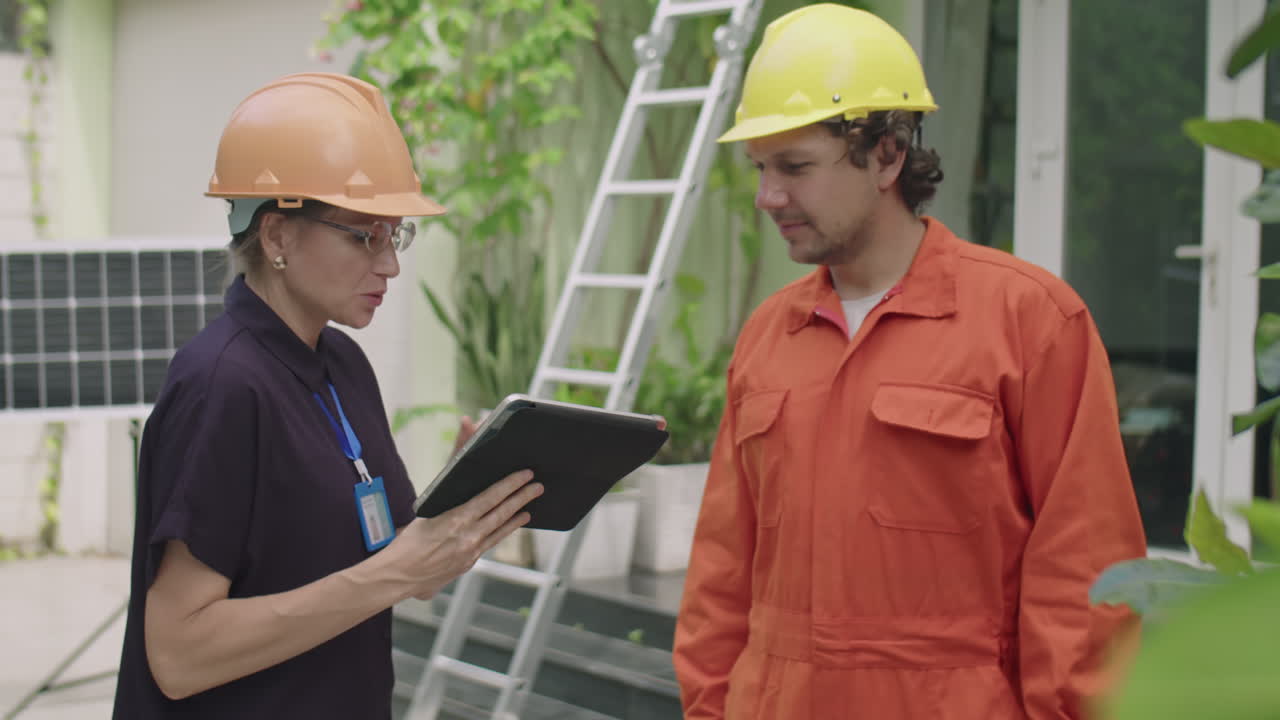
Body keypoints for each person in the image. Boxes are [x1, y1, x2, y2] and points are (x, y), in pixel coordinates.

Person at [672, 5, 1147, 719]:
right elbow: (720, 579)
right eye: (761, 169)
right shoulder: (770, 337)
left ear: (888, 155)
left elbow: (1086, 583)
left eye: (795, 167)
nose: (770, 197)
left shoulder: (1029, 323)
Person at [111, 72, 541, 718]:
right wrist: (394, 573)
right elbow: (177, 654)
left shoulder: (340, 364)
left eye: (394, 234)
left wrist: (461, 498)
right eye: (364, 234)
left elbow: (392, 561)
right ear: (278, 236)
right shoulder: (221, 386)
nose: (390, 264)